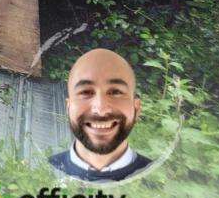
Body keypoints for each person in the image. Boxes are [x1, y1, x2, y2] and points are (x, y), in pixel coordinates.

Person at [49, 48, 153, 182]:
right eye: (86, 92)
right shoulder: (38, 174)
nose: (101, 109)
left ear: (136, 108)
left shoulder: (162, 182)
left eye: (116, 92)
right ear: (68, 108)